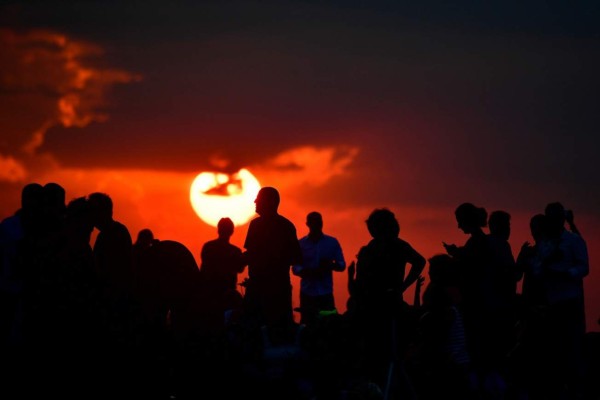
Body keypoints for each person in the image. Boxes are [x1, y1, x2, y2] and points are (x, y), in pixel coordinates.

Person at [352, 208, 426, 396]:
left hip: (386, 307)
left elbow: (419, 261)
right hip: (374, 306)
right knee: (379, 354)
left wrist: (402, 287)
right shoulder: (374, 247)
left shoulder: (394, 246)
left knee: (387, 353)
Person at [242, 187, 302, 340]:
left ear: (269, 202)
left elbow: (295, 257)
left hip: (268, 291)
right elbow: (296, 257)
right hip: (273, 290)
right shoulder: (286, 226)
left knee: (256, 334)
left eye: (258, 198)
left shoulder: (256, 226)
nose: (255, 201)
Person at [292, 211, 346, 325]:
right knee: (308, 325)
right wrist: (306, 272)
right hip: (308, 293)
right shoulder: (301, 244)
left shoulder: (332, 242)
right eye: (314, 222)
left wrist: (330, 265)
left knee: (329, 325)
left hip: (325, 292)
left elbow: (341, 265)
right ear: (308, 224)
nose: (316, 225)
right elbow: (295, 267)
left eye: (318, 222)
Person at [200, 217, 244, 330]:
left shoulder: (208, 247)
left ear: (218, 229)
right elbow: (240, 269)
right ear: (232, 231)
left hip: (209, 295)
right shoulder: (235, 251)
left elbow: (203, 271)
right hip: (227, 296)